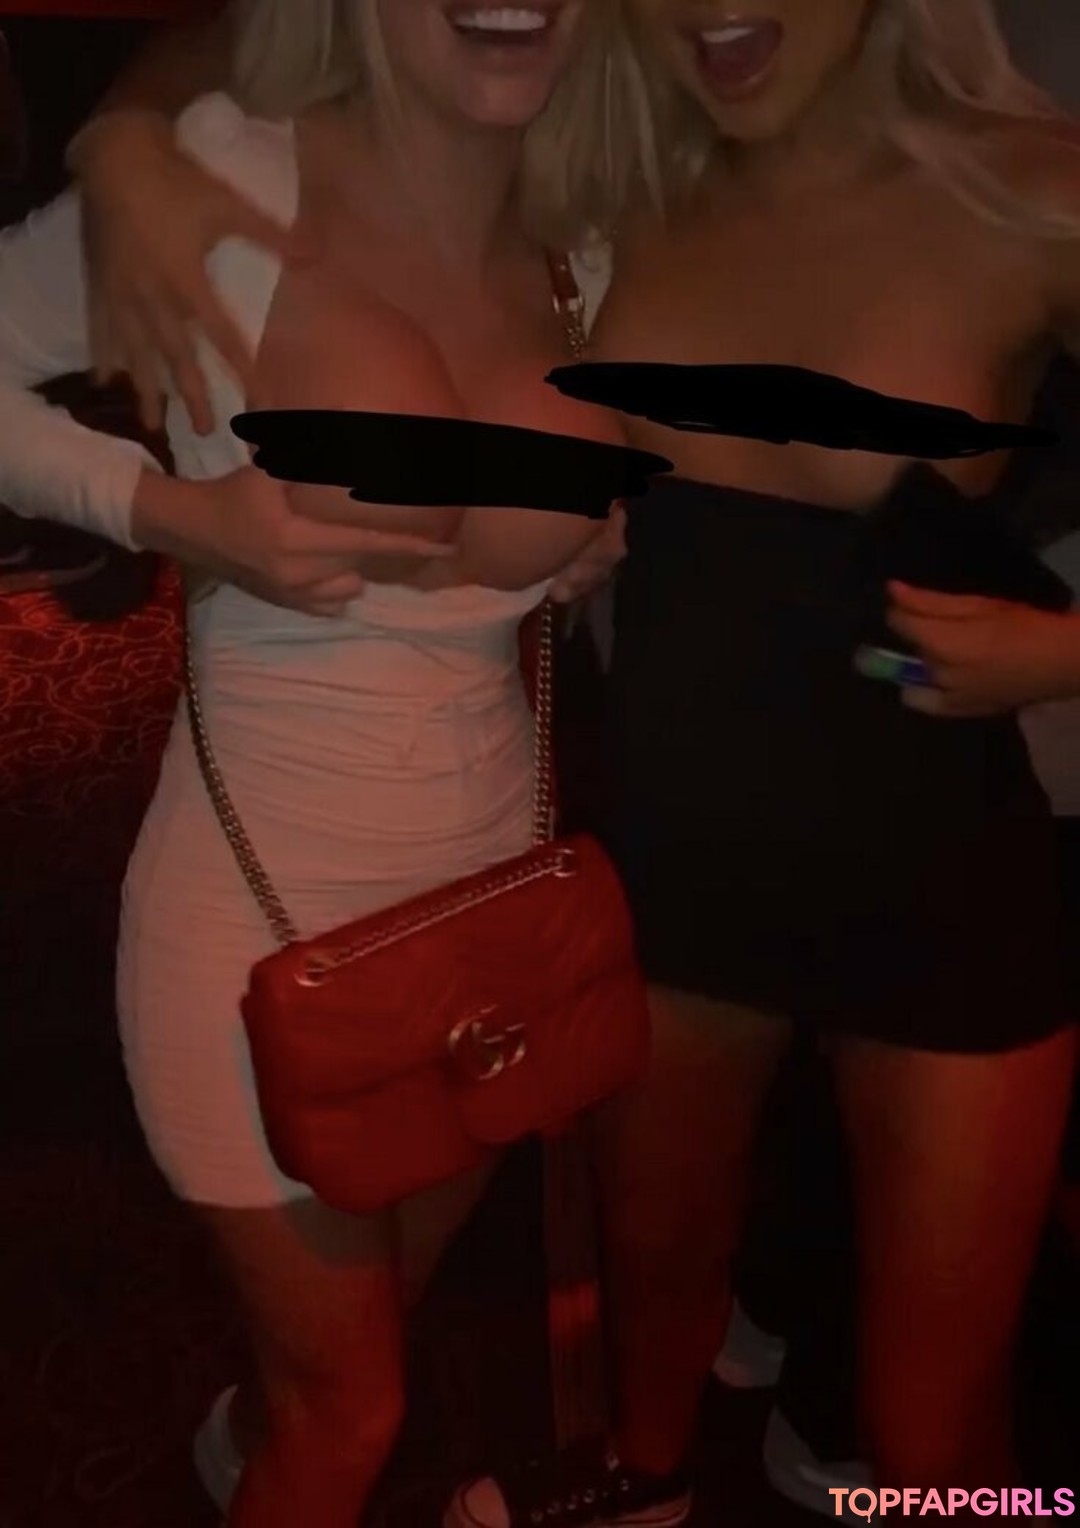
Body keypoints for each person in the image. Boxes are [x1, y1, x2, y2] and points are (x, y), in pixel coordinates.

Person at [45, 0, 1080, 1521]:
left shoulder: (1035, 189)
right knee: (648, 1337)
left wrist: (1068, 654)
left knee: (935, 1448)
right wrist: (123, 137)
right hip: (677, 879)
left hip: (939, 878)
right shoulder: (624, 186)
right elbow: (301, 35)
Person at [0, 3, 652, 1524]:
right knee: (355, 1410)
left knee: (364, 1331)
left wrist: (577, 546)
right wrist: (173, 514)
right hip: (261, 898)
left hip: (487, 899)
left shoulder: (584, 231)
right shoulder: (222, 179)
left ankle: (244, 1439)